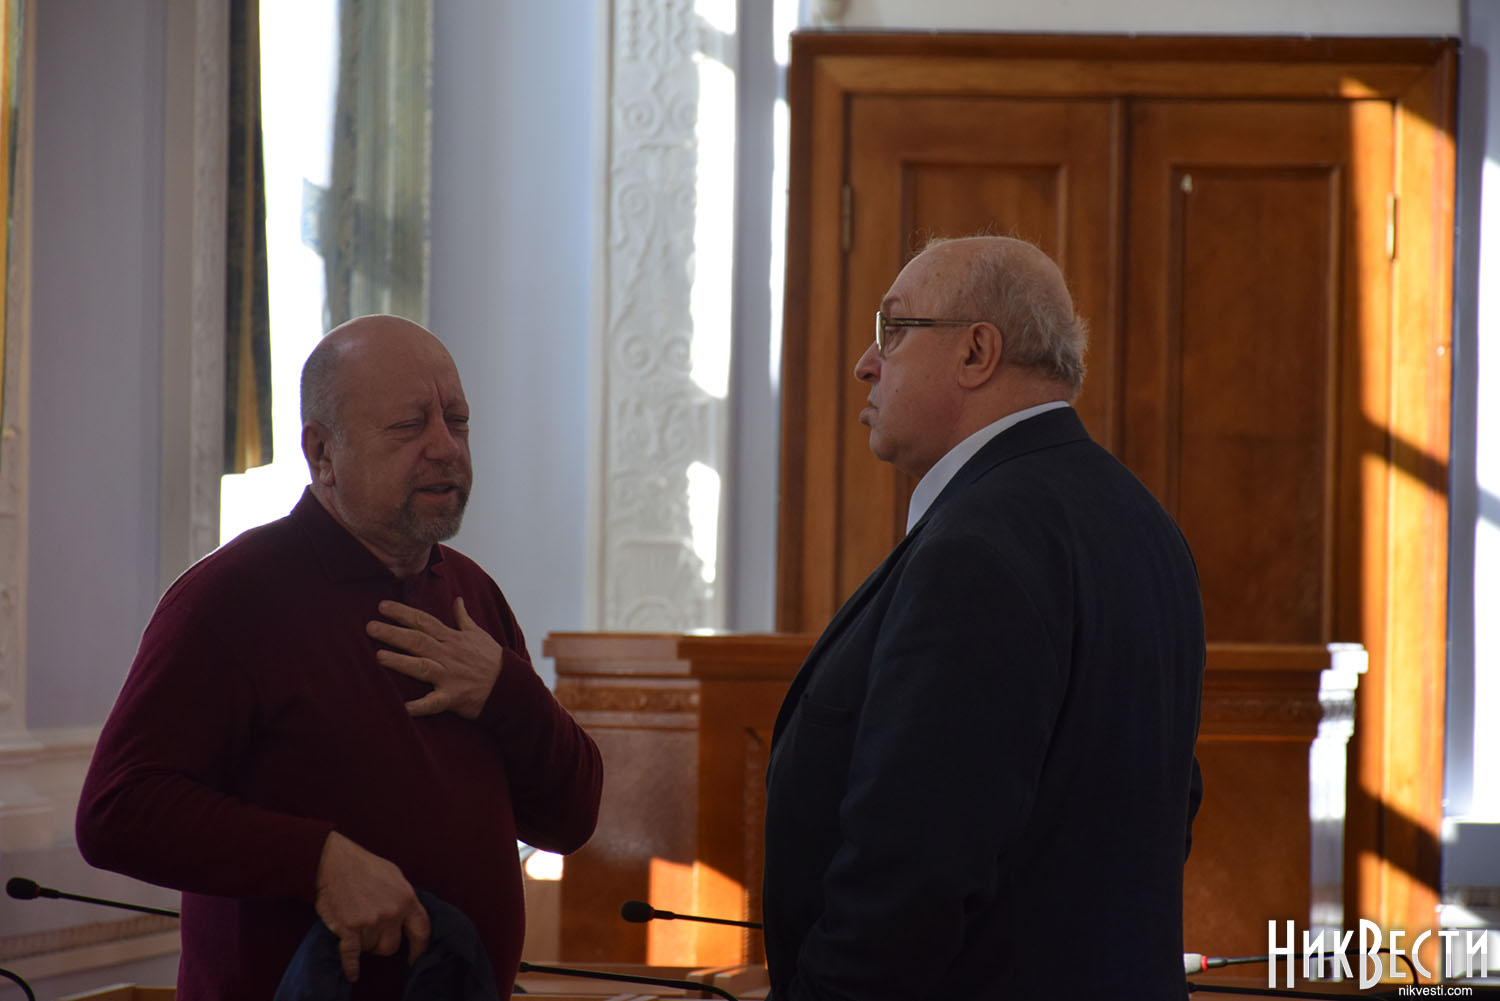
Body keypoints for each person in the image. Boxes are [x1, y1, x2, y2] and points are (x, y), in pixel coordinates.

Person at [77, 315, 603, 1000]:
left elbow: (570, 818)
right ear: (322, 452)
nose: (446, 447)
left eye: (458, 421)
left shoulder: (471, 594)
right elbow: (118, 810)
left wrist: (506, 691)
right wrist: (319, 861)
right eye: (409, 427)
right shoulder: (233, 597)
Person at [761, 237, 1205, 1000]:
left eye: (893, 329)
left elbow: (912, 870)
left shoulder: (976, 549)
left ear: (976, 352)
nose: (866, 363)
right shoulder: (1144, 524)